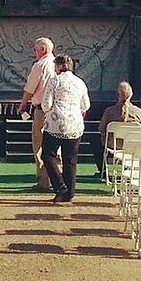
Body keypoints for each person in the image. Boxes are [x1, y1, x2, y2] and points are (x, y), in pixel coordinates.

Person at [41, 54, 90, 203]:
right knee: (70, 159)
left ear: (59, 66)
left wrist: (49, 111)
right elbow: (85, 105)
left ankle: (60, 187)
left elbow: (46, 104)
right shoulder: (80, 82)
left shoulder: (54, 80)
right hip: (75, 125)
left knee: (48, 155)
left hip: (56, 124)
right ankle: (70, 192)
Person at [17, 36, 56, 191]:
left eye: (35, 49)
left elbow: (30, 88)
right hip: (57, 111)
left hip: (41, 109)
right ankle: (57, 180)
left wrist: (22, 105)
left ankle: (43, 181)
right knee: (55, 145)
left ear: (43, 49)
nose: (34, 52)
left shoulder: (40, 65)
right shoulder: (58, 65)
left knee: (39, 144)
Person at [92, 81, 141, 177]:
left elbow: (101, 129)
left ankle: (103, 170)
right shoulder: (138, 112)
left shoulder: (109, 111)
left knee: (94, 140)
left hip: (113, 144)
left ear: (117, 95)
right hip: (131, 145)